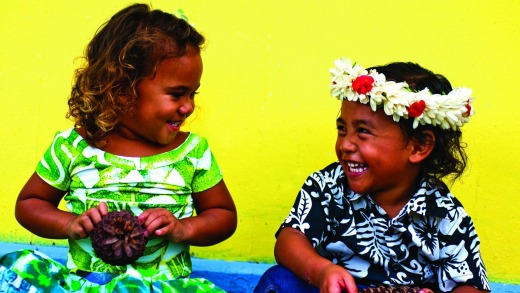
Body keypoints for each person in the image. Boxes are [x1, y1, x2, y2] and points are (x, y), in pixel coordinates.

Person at [0, 3, 237, 292]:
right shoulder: (73, 147)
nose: (188, 106)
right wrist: (70, 223)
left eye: (192, 93)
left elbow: (223, 215)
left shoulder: (193, 152)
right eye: (177, 94)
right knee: (16, 268)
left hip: (163, 287)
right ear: (122, 90)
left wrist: (184, 228)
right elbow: (29, 205)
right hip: (87, 285)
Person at [254, 57, 489, 293]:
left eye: (363, 132)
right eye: (342, 129)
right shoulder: (327, 186)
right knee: (279, 280)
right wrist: (320, 270)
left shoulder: (443, 213)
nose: (345, 144)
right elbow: (289, 238)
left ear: (419, 147)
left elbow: (471, 284)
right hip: (336, 289)